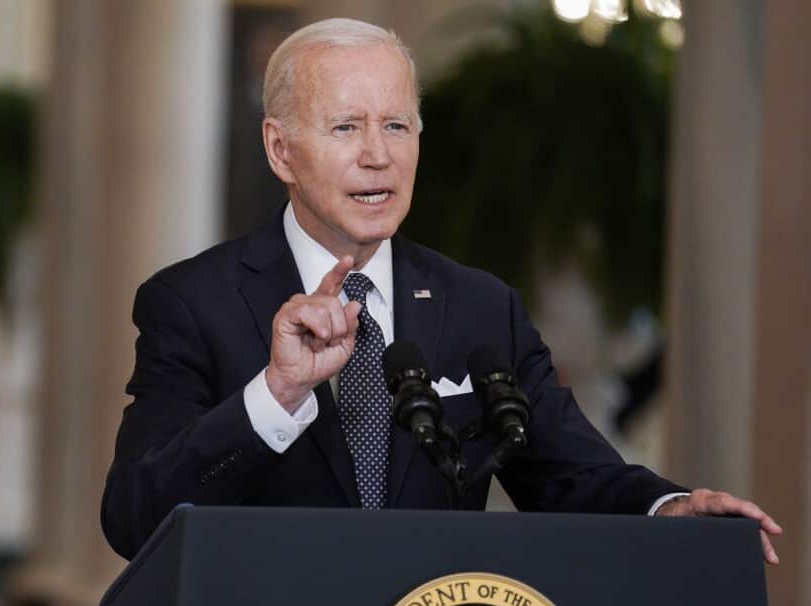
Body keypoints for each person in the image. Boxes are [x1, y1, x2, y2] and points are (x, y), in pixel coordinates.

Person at [100, 18, 780, 563]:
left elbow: (570, 472)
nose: (378, 154)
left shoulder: (479, 307)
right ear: (281, 151)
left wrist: (669, 509)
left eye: (396, 125)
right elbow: (137, 517)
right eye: (346, 128)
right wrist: (276, 394)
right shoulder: (194, 303)